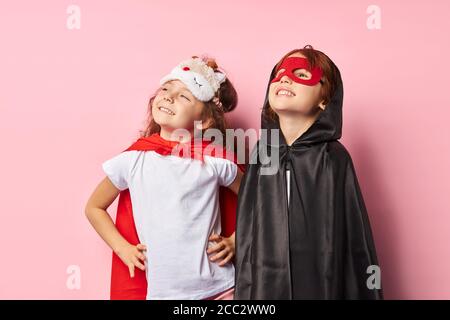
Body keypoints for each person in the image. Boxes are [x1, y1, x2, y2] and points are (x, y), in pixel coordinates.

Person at [85, 56, 244, 300]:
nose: (169, 96)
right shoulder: (133, 160)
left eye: (184, 96)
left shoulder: (214, 160)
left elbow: (257, 199)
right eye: (167, 88)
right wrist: (122, 248)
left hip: (221, 288)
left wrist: (235, 240)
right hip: (164, 293)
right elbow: (94, 207)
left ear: (205, 119)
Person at [234, 45, 383, 299]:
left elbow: (353, 240)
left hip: (318, 281)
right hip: (267, 282)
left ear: (325, 99)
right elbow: (249, 229)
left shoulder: (333, 157)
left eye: (301, 75)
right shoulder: (264, 153)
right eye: (279, 73)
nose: (284, 78)